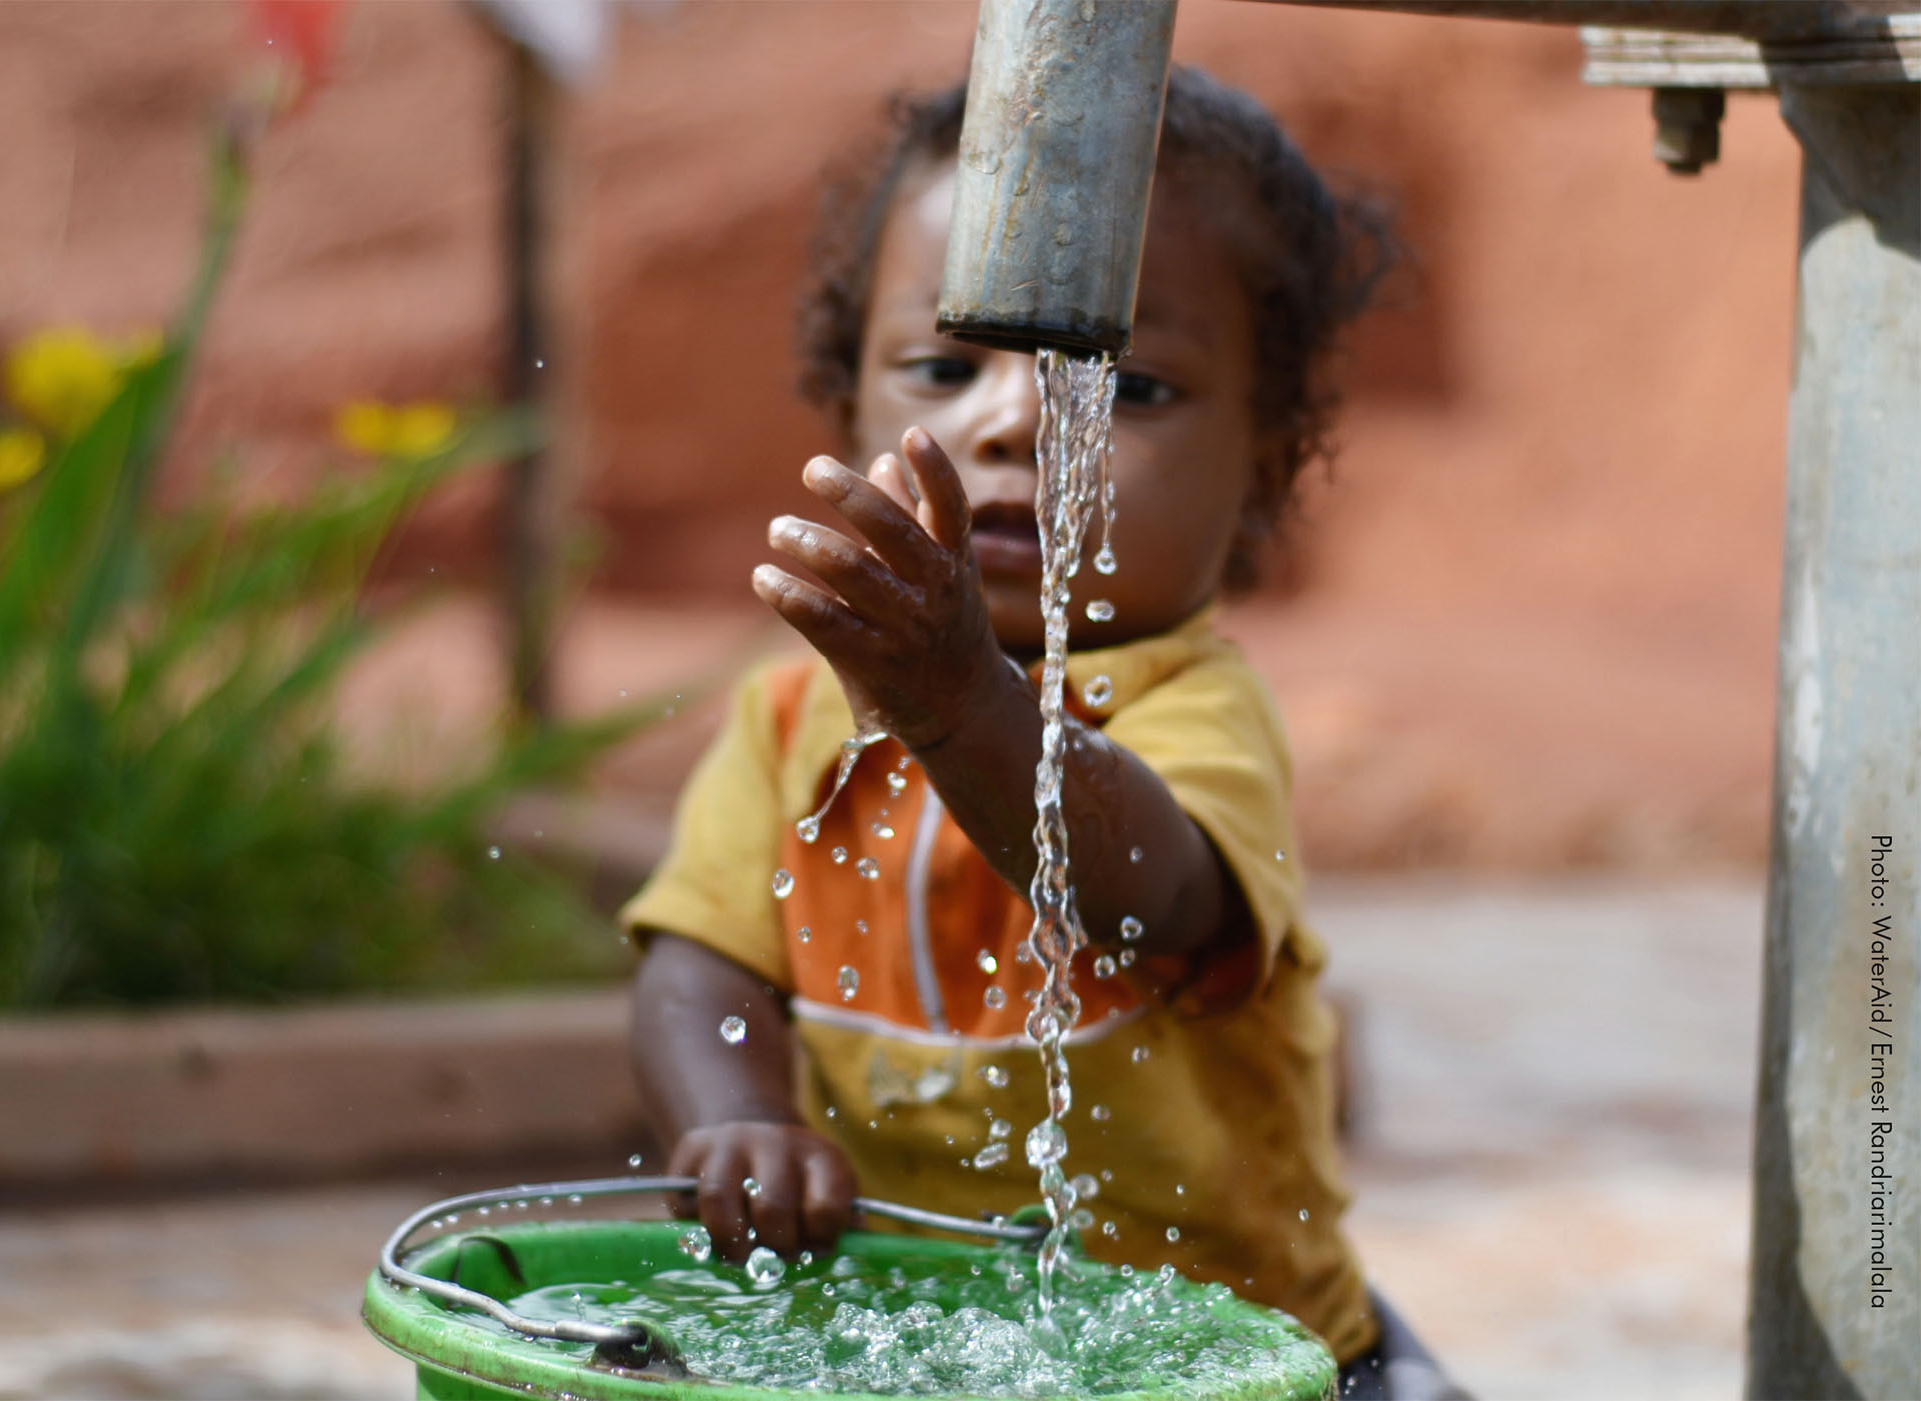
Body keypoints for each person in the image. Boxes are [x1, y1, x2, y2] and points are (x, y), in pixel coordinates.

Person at [624, 67, 1466, 1401]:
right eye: (943, 367)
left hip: (1242, 1362)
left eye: (1129, 384)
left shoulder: (1196, 709)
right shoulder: (789, 719)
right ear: (847, 408)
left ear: (1265, 467)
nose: (1017, 420)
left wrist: (964, 704)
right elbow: (696, 970)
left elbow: (1144, 895)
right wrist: (739, 1120)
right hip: (921, 1358)